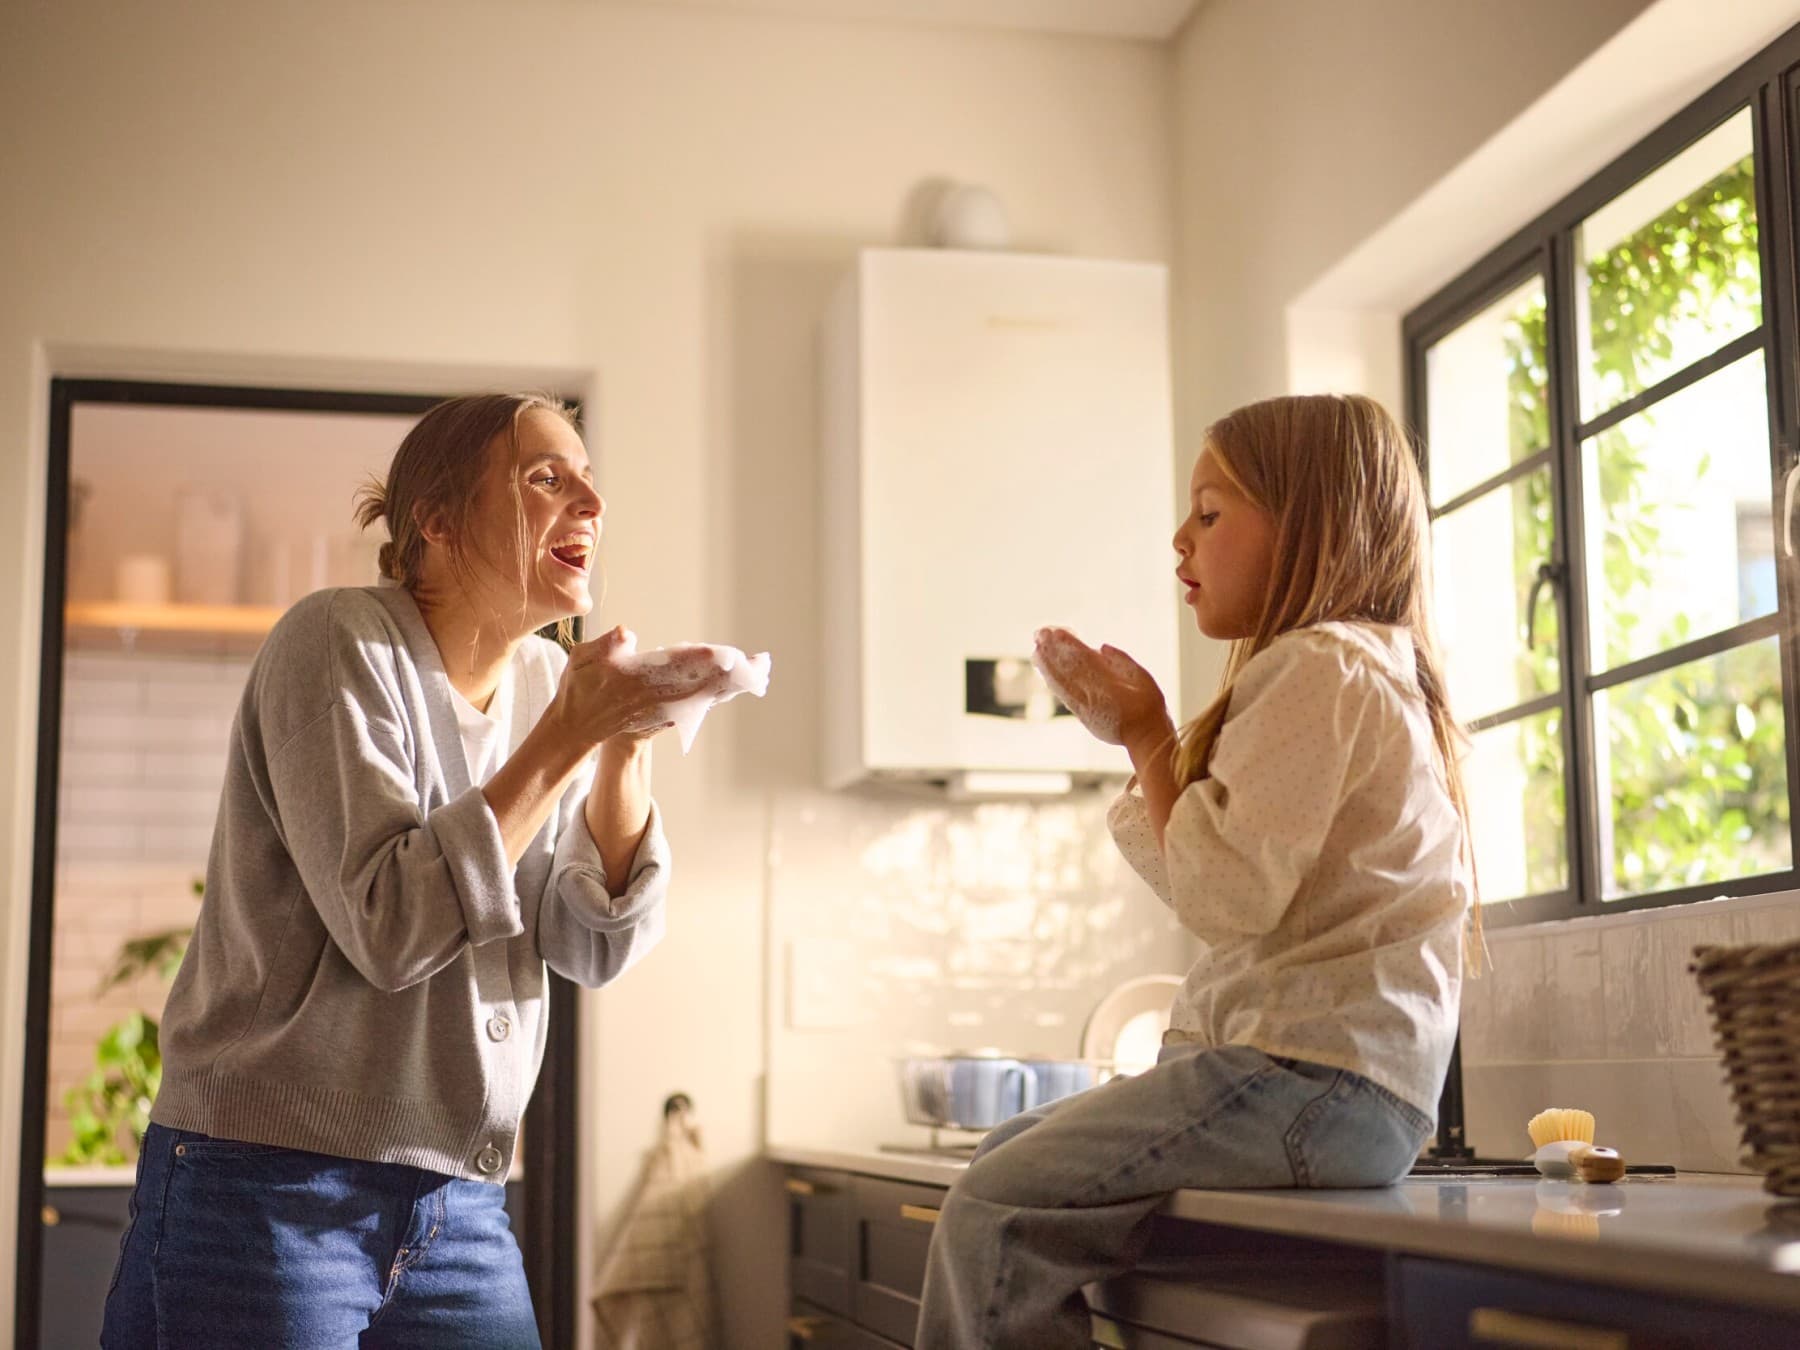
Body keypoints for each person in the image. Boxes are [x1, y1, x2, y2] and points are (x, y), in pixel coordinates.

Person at [102, 393, 748, 1348]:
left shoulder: (547, 684)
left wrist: (623, 746)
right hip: (267, 1187)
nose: (591, 501)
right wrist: (569, 734)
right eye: (546, 477)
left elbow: (590, 945)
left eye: (588, 478)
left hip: (461, 1205)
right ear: (437, 521)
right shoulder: (337, 641)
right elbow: (389, 924)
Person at [915, 393, 1476, 1349]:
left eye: (1210, 513)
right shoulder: (1361, 669)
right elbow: (1214, 881)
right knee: (1006, 1156)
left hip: (1309, 1081)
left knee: (995, 1205)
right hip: (1341, 1092)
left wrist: (1146, 734)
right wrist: (1143, 741)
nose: (1181, 539)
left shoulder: (1317, 666)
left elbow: (1219, 897)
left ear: (1306, 526)